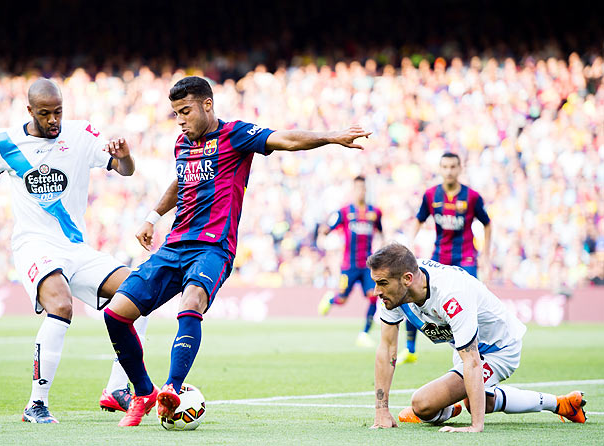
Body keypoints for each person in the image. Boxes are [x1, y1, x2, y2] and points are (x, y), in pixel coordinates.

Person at [102, 75, 371, 427]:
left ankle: (172, 386)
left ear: (207, 105)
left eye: (185, 111)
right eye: (175, 113)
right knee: (116, 314)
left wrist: (332, 136)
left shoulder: (237, 135)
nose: (180, 120)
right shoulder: (182, 143)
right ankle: (143, 391)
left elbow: (285, 139)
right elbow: (181, 180)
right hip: (174, 246)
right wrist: (152, 216)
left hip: (213, 247)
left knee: (193, 299)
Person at [0, 78, 148, 423]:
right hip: (34, 244)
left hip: (75, 247)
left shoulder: (81, 134)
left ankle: (118, 389)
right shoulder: (8, 142)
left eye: (58, 111)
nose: (54, 120)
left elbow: (125, 171)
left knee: (140, 295)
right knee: (61, 304)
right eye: (45, 114)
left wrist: (126, 156)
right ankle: (36, 404)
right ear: (30, 111)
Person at [368, 243, 587, 432]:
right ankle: (563, 404)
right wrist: (382, 411)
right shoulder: (396, 289)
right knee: (483, 402)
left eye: (382, 283)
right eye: (376, 283)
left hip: (499, 347)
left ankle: (440, 407)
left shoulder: (450, 294)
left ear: (407, 279)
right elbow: (387, 349)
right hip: (466, 347)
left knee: (423, 404)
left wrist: (475, 426)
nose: (377, 290)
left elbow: (472, 361)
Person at [399, 152, 492, 365]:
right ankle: (410, 349)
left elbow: (487, 223)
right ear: (440, 169)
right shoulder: (431, 195)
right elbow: (418, 220)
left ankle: (477, 353)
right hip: (439, 257)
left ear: (460, 169)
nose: (449, 171)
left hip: (466, 256)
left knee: (472, 303)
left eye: (453, 167)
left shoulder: (472, 197)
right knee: (412, 294)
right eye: (445, 167)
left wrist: (486, 255)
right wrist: (409, 244)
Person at [317, 175, 383, 347]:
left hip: (368, 266)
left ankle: (364, 334)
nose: (361, 191)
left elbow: (381, 233)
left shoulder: (374, 212)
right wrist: (324, 231)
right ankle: (332, 299)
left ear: (366, 190)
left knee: (374, 296)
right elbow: (329, 227)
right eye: (358, 188)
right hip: (349, 265)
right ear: (354, 190)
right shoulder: (345, 212)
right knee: (342, 299)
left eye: (363, 188)